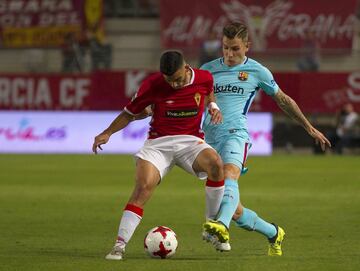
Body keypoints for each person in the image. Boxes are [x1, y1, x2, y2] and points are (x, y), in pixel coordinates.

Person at [200, 22, 331, 256]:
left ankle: (221, 225)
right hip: (208, 140)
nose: (229, 54)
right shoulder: (207, 70)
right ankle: (273, 232)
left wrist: (309, 127)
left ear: (247, 46)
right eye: (225, 48)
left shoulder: (258, 71)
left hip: (235, 135)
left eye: (235, 49)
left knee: (230, 175)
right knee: (234, 209)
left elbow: (283, 100)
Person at [92, 51, 225, 260]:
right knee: (143, 187)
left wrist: (213, 106)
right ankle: (119, 245)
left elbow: (209, 92)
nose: (174, 85)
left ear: (186, 67)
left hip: (190, 141)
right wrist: (107, 132)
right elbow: (129, 112)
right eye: (169, 81)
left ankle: (212, 227)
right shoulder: (152, 84)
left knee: (217, 165)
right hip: (158, 144)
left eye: (178, 79)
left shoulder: (204, 77)